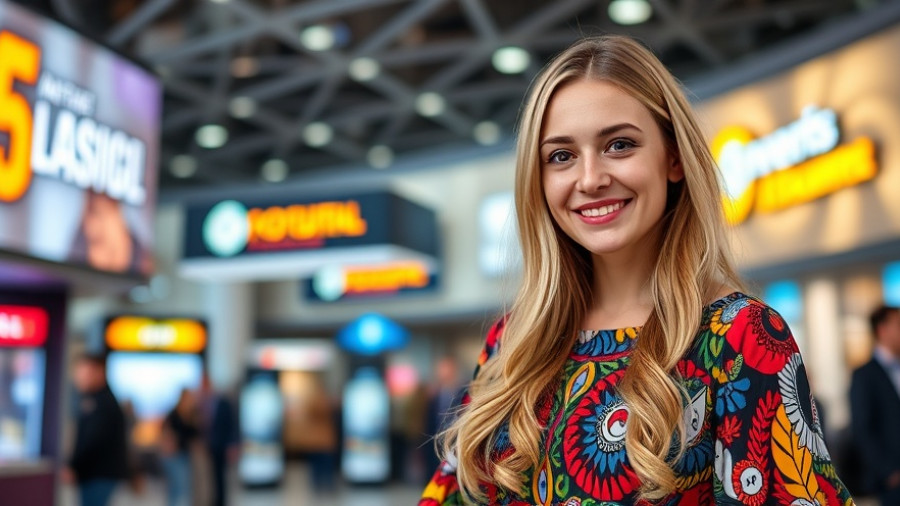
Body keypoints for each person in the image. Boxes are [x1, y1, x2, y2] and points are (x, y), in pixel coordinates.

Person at [420, 35, 852, 505]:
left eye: (619, 145)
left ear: (673, 158)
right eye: (561, 156)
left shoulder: (741, 338)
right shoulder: (513, 341)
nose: (590, 179)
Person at [849, 305, 900, 505]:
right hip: (892, 482)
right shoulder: (864, 375)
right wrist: (889, 472)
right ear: (882, 330)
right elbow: (862, 429)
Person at [63, 352, 129, 506]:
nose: (79, 378)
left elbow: (92, 440)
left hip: (99, 475)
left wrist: (73, 465)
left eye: (85, 373)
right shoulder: (94, 399)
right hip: (95, 474)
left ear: (99, 372)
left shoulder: (102, 403)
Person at [197, 375, 239, 506]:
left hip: (222, 446)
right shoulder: (202, 404)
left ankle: (221, 501)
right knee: (211, 477)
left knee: (221, 477)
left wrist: (233, 444)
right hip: (209, 446)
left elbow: (231, 424)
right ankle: (213, 500)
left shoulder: (223, 403)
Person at [160, 388, 199, 506]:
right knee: (179, 487)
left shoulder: (190, 415)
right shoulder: (174, 414)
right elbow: (165, 431)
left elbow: (194, 434)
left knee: (181, 487)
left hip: (184, 454)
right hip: (173, 455)